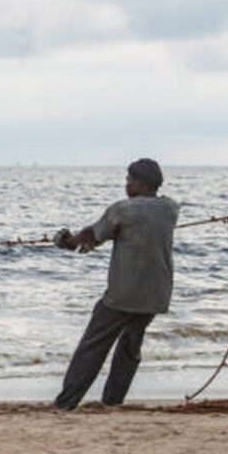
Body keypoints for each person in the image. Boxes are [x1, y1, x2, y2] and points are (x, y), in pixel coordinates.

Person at [52, 159, 179, 410]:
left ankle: (67, 401)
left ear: (141, 183)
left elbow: (90, 237)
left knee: (93, 346)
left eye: (129, 180)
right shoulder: (171, 208)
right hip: (156, 293)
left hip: (123, 292)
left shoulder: (123, 210)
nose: (127, 184)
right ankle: (113, 400)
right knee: (131, 346)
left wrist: (64, 241)